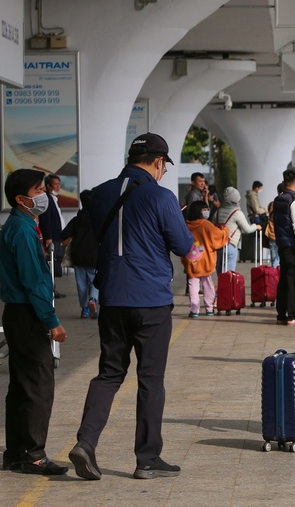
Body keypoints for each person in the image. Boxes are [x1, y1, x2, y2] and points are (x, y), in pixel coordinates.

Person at [68, 132, 193, 481]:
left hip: (111, 297)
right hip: (151, 300)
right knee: (150, 380)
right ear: (157, 162)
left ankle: (86, 442)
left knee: (109, 373)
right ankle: (148, 458)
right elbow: (183, 245)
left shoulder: (100, 194)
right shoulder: (162, 195)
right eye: (164, 166)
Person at [0, 169, 68, 476]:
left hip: (16, 314)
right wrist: (52, 321)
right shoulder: (23, 231)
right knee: (39, 385)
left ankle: (16, 452)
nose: (43, 194)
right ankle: (33, 453)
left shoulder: (16, 226)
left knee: (21, 385)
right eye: (38, 189)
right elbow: (34, 281)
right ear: (20, 199)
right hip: (27, 315)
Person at [182, 201, 229, 317]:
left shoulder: (186, 225)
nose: (207, 211)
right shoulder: (206, 225)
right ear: (199, 211)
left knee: (192, 284)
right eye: (205, 209)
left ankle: (194, 310)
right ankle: (209, 308)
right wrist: (225, 231)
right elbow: (217, 237)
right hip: (206, 259)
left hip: (191, 259)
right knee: (207, 284)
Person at [274, 169, 295, 326]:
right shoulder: (294, 200)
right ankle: (292, 316)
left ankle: (281, 314)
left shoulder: (278, 199)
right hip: (293, 246)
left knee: (283, 280)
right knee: (293, 281)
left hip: (281, 245)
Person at [61, 189, 100, 319]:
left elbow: (64, 234)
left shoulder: (77, 220)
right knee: (94, 281)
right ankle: (93, 299)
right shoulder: (98, 219)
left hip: (78, 255)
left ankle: (84, 310)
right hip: (94, 256)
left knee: (81, 283)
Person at [214, 187, 261, 274]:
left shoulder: (218, 212)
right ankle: (227, 288)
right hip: (230, 245)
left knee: (220, 274)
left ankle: (222, 288)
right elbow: (247, 229)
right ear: (235, 199)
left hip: (218, 246)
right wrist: (256, 226)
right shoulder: (237, 213)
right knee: (229, 275)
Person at [39, 173, 65, 294]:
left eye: (59, 184)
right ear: (48, 186)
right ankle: (51, 290)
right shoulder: (47, 199)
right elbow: (46, 220)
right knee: (51, 265)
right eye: (55, 184)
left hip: (58, 237)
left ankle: (53, 289)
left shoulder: (54, 199)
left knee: (55, 264)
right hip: (52, 238)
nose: (58, 187)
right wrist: (48, 237)